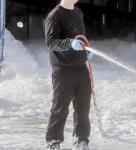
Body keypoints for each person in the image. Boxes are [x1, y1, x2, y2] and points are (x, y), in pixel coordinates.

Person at [45, 0, 93, 149]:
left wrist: (85, 52)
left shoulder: (78, 13)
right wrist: (69, 43)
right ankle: (53, 141)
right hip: (63, 69)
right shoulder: (54, 16)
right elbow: (51, 41)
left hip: (81, 67)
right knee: (60, 107)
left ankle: (81, 139)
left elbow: (79, 38)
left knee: (83, 107)